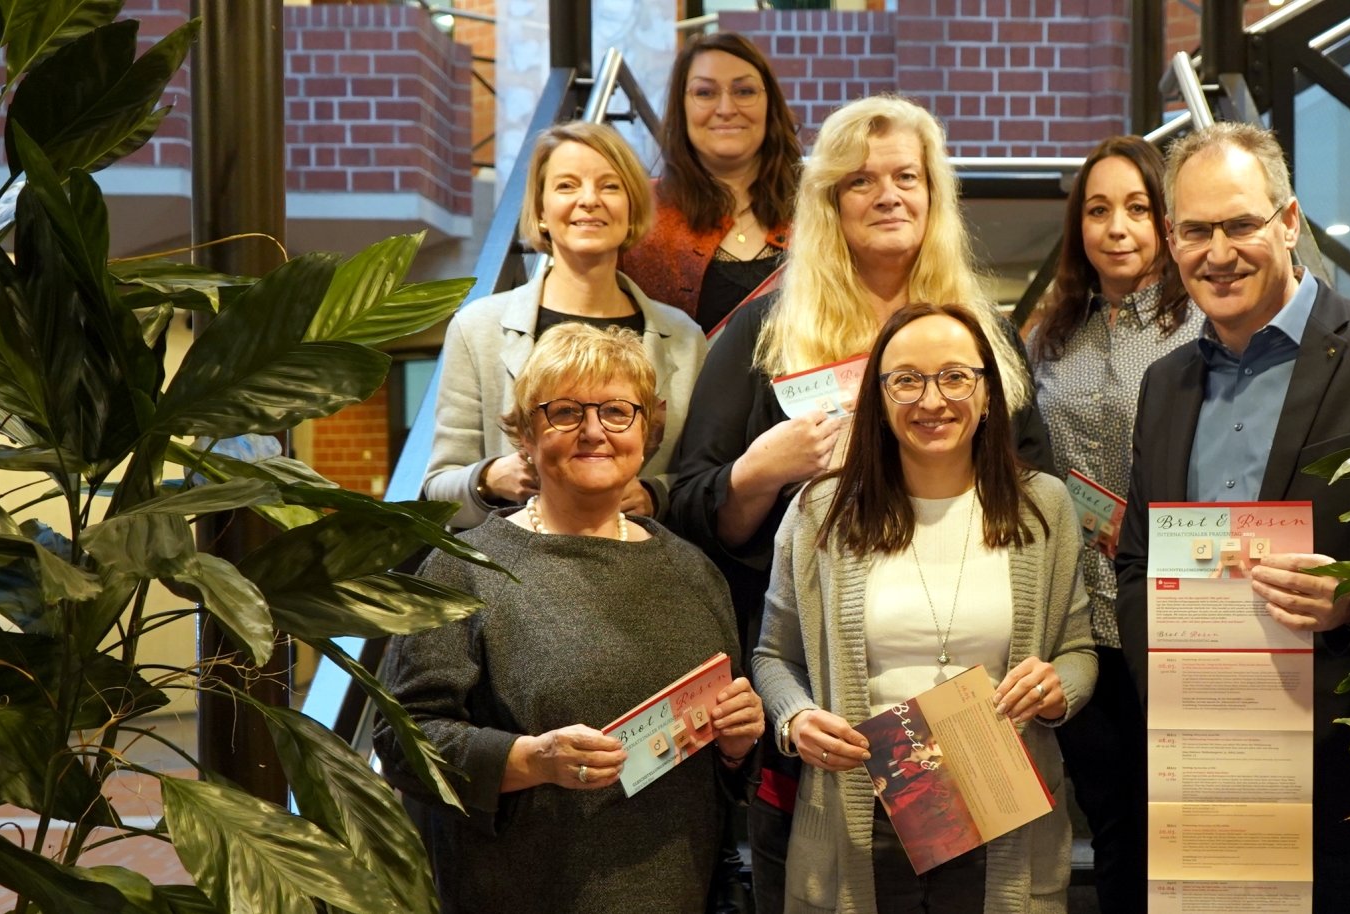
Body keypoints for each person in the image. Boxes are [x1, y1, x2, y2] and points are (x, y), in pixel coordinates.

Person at [666, 95, 1053, 914]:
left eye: (907, 176)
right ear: (827, 201)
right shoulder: (764, 332)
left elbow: (1035, 493)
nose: (887, 195)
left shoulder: (986, 333)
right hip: (826, 709)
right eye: (861, 180)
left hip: (974, 713)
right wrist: (760, 471)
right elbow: (693, 512)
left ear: (934, 194)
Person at [1113, 122, 1350, 911]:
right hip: (1204, 775)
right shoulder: (1164, 385)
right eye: (1195, 231)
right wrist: (1172, 699)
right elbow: (1137, 564)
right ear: (1172, 243)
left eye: (1240, 223)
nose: (1218, 252)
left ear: (1288, 222)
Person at [378, 323, 765, 914]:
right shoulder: (465, 569)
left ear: (645, 432)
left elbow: (717, 770)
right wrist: (529, 760)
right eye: (564, 412)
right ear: (527, 436)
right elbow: (403, 740)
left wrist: (736, 745)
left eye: (616, 411)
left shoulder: (693, 572)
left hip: (676, 892)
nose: (593, 432)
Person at [753, 302, 1096, 914]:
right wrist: (796, 719)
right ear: (879, 400)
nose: (932, 400)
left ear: (988, 393)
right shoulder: (820, 513)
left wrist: (1057, 688)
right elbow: (773, 655)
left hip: (1001, 809)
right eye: (906, 380)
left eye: (955, 376)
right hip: (860, 812)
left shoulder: (1043, 508)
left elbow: (1077, 650)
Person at [1024, 134, 1200, 914]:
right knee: (1114, 816)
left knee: (1185, 817)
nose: (1117, 227)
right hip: (1083, 619)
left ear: (1164, 222)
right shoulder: (1052, 336)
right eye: (1098, 210)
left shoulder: (1197, 328)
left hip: (1174, 608)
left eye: (1137, 208)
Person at [424, 121, 707, 529]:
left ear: (631, 210)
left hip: (640, 569)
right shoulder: (477, 329)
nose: (589, 200)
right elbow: (438, 487)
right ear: (540, 211)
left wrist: (653, 493)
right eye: (567, 186)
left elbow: (702, 481)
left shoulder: (683, 337)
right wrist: (489, 480)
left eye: (610, 186)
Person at [619, 32, 800, 334]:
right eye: (705, 93)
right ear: (682, 107)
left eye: (744, 91)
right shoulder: (638, 213)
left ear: (770, 104)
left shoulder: (819, 204)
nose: (727, 108)